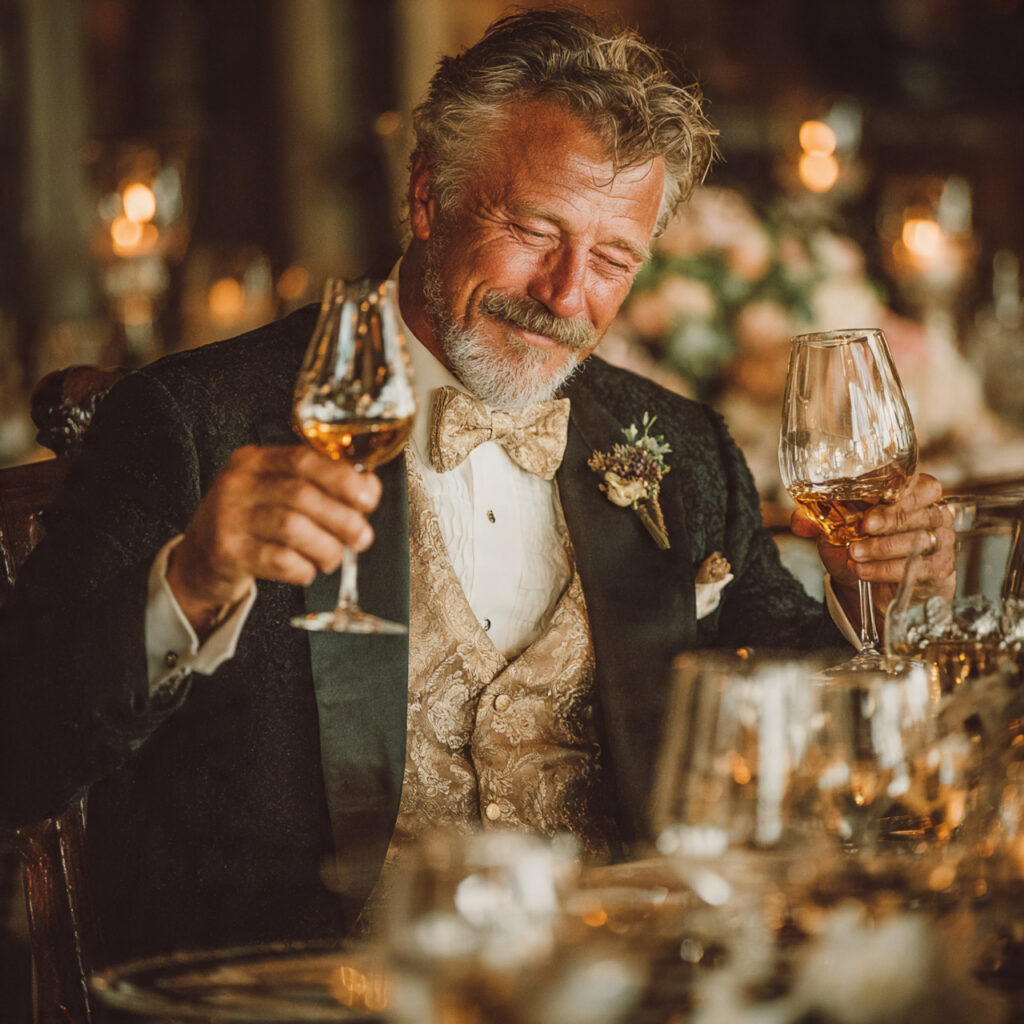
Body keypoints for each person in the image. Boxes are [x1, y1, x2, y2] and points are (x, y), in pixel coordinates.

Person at [1, 8, 949, 964]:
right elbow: (20, 748)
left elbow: (793, 708)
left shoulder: (678, 445)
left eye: (614, 259)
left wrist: (868, 591)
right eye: (536, 231)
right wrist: (191, 583)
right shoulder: (194, 420)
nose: (567, 294)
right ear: (427, 198)